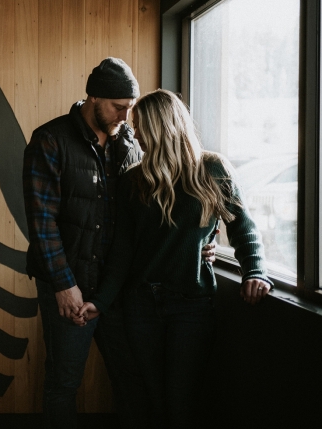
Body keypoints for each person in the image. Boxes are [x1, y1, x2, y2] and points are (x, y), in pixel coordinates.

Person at [22, 58, 216, 429]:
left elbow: (158, 207)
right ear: (93, 97)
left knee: (130, 380)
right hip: (70, 282)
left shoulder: (130, 143)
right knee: (64, 381)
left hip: (119, 286)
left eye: (131, 108)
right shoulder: (51, 140)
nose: (126, 117)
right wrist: (63, 285)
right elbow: (41, 223)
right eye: (119, 107)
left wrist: (204, 239)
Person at [77, 89, 273, 428]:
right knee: (154, 398)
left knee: (180, 402)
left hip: (191, 306)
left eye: (139, 125)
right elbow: (123, 252)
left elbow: (243, 227)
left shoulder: (212, 169)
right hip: (140, 306)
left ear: (161, 127)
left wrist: (255, 270)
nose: (134, 133)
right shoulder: (133, 180)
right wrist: (101, 301)